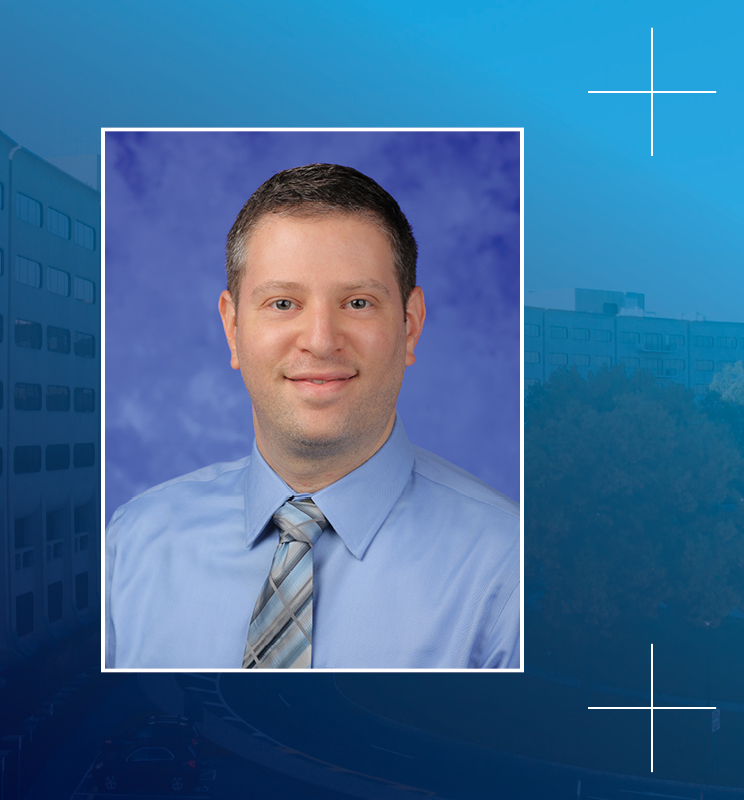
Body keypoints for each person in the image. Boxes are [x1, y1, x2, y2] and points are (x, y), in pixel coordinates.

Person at [104, 163, 519, 669]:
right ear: (233, 327)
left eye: (358, 302)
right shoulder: (132, 549)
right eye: (283, 303)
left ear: (410, 326)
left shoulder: (510, 572)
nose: (321, 340)